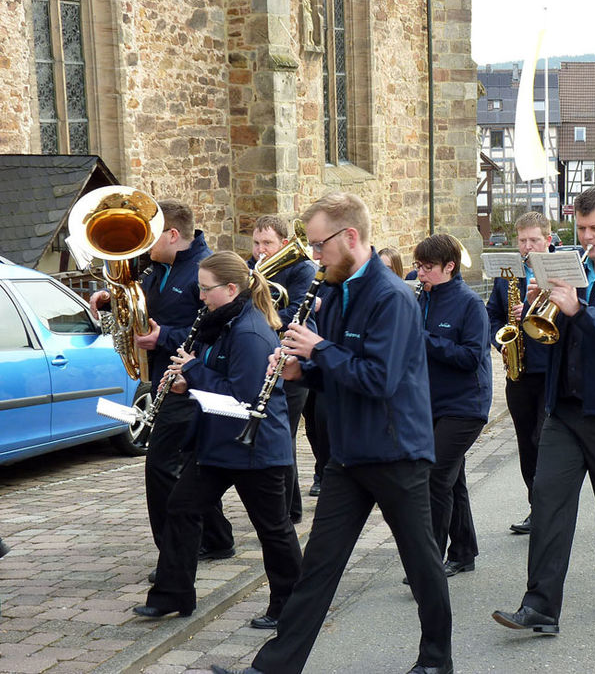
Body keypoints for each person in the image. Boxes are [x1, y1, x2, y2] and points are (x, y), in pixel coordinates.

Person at [211, 192, 452, 674]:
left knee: (422, 564)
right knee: (318, 569)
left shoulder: (393, 297)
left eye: (320, 245)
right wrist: (305, 371)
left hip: (395, 450)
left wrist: (318, 350)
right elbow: (340, 368)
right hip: (348, 453)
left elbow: (378, 379)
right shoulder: (336, 288)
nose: (314, 256)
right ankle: (273, 668)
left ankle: (435, 662)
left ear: (350, 237)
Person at [492, 185, 595, 633]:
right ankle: (541, 606)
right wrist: (536, 307)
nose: (587, 237)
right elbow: (549, 337)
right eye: (581, 228)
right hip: (564, 408)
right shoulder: (564, 263)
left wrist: (578, 309)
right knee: (548, 501)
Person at [133, 251, 302, 629]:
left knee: (273, 529)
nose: (200, 296)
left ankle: (291, 605)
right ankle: (172, 595)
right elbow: (215, 375)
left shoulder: (250, 331)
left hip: (255, 445)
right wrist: (183, 382)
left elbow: (244, 395)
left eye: (206, 289)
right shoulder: (221, 323)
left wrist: (191, 372)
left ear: (230, 289)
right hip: (220, 442)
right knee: (181, 507)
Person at [88, 201, 233, 577]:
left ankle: (173, 554)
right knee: (190, 465)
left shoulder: (207, 270)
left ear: (172, 235)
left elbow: (217, 330)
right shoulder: (159, 266)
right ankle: (217, 539)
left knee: (161, 465)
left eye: (152, 236)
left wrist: (164, 336)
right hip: (167, 378)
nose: (145, 245)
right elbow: (142, 307)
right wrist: (111, 301)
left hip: (189, 379)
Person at [414, 234, 491, 577]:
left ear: (450, 267)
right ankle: (463, 552)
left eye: (428, 268)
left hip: (465, 406)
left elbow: (472, 357)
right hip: (431, 402)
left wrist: (424, 340)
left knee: (435, 478)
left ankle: (429, 561)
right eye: (418, 266)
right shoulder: (422, 299)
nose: (421, 274)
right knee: (452, 479)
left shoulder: (470, 304)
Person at [485, 211, 553, 534]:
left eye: (534, 240)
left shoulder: (559, 272)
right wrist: (502, 343)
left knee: (543, 440)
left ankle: (547, 509)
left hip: (549, 370)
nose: (527, 246)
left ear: (548, 240)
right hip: (518, 371)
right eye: (522, 240)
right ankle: (535, 507)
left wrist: (529, 309)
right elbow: (491, 316)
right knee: (526, 443)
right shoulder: (507, 274)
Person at [248, 215, 317, 523]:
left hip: (294, 358)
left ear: (284, 243)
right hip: (266, 358)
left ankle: (286, 510)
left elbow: (297, 311)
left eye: (267, 243)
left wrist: (258, 317)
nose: (260, 250)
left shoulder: (301, 267)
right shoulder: (250, 269)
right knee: (276, 435)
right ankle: (288, 508)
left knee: (282, 434)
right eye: (256, 243)